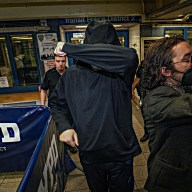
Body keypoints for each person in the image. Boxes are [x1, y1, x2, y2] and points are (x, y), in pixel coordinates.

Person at [49, 20, 141, 192]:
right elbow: (56, 103)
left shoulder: (122, 70)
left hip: (120, 151)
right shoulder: (71, 75)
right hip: (90, 151)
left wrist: (67, 47)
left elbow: (129, 56)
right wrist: (64, 127)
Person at [140, 35, 192, 192]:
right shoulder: (156, 99)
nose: (191, 64)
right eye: (187, 60)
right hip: (170, 181)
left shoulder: (184, 87)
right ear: (166, 71)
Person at [40, 54, 77, 154]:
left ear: (66, 61)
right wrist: (42, 106)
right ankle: (62, 148)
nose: (60, 64)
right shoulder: (49, 74)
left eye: (63, 61)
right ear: (54, 61)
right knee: (58, 127)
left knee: (70, 125)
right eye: (58, 61)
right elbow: (43, 90)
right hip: (55, 106)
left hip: (69, 105)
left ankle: (71, 145)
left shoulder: (71, 73)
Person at [132, 61, 149, 142]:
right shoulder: (144, 63)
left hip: (157, 93)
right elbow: (138, 77)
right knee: (145, 113)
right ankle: (147, 132)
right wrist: (132, 88)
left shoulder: (165, 62)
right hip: (144, 94)